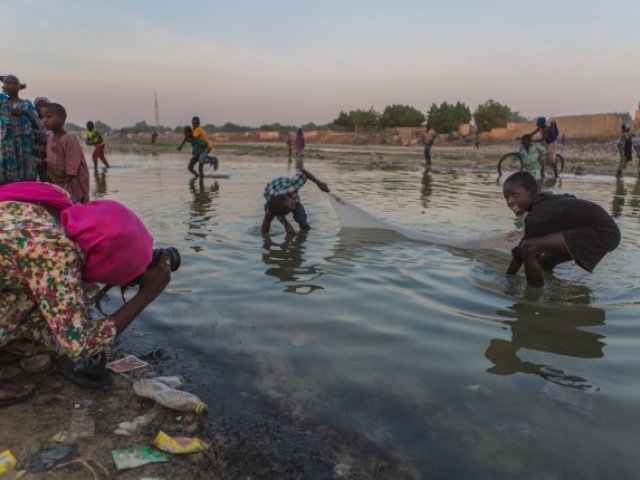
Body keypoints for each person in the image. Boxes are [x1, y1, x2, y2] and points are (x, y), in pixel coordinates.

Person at [0, 182, 172, 396]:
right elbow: (81, 345)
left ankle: (16, 337)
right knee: (72, 339)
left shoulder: (56, 201)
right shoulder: (52, 249)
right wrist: (147, 293)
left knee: (52, 316)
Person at [503, 171, 620, 287]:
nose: (510, 202)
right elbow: (571, 198)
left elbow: (521, 252)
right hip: (598, 230)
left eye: (515, 195)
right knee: (545, 262)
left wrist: (508, 278)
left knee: (530, 248)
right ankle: (553, 288)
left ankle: (533, 296)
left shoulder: (537, 216)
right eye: (506, 198)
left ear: (532, 193)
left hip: (602, 233)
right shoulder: (545, 199)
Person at [41, 103, 90, 203]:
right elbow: (50, 157)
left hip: (72, 180)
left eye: (49, 117)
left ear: (62, 119)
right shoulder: (50, 139)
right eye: (43, 117)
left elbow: (73, 163)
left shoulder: (68, 139)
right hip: (57, 181)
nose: (45, 120)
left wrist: (67, 181)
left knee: (74, 202)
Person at [262, 168, 330, 235]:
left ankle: (305, 233)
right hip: (271, 195)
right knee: (269, 215)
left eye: (292, 205)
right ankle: (264, 238)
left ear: (287, 197)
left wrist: (319, 183)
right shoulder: (274, 206)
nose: (293, 209)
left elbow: (303, 171)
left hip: (283, 185)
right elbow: (280, 215)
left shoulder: (293, 186)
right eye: (289, 210)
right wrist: (286, 224)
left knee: (303, 222)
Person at [0, 74, 41, 184]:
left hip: (26, 141)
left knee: (27, 174)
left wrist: (25, 112)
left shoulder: (27, 103)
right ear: (4, 87)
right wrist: (3, 78)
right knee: (8, 176)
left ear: (19, 86)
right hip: (8, 142)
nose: (12, 85)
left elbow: (37, 123)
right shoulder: (2, 101)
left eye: (15, 83)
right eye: (9, 83)